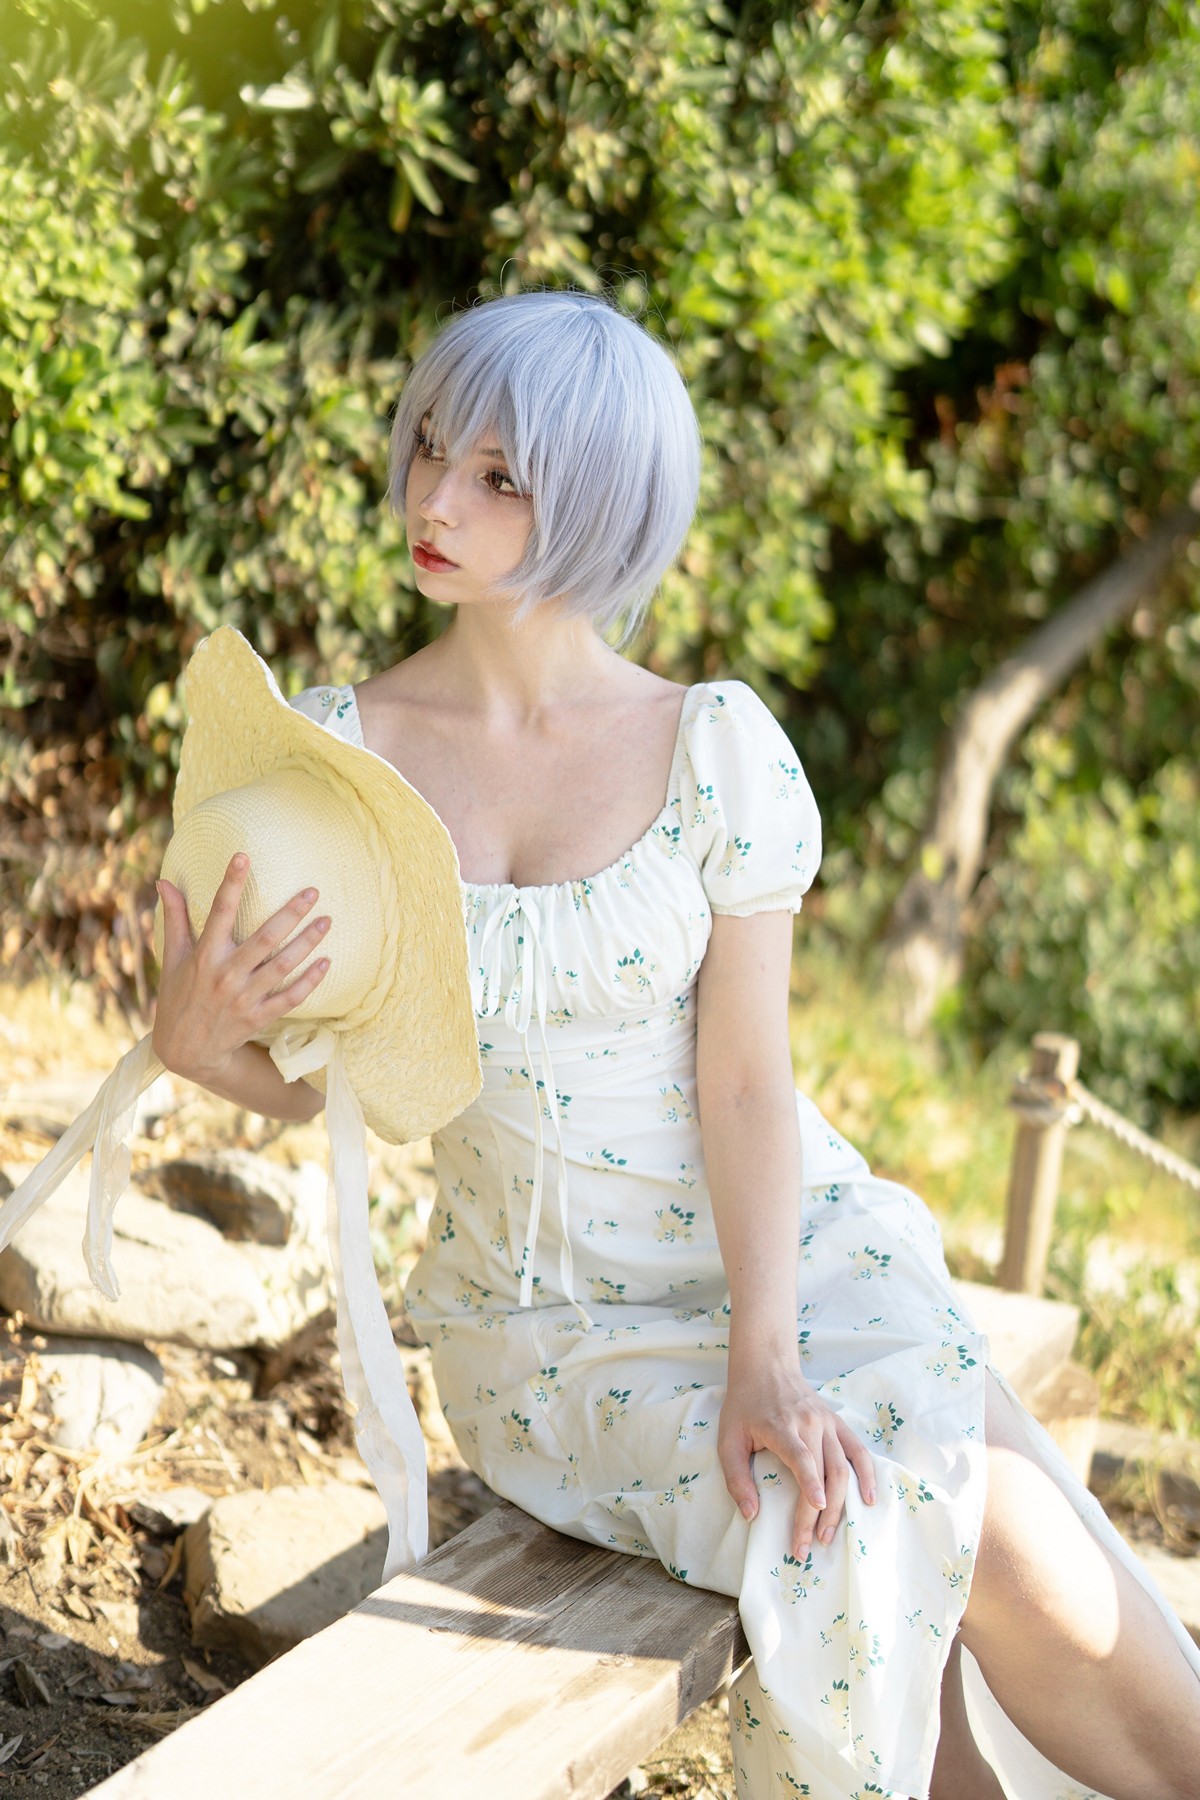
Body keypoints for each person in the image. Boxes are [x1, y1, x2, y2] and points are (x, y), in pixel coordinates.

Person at [151, 290, 1200, 1800]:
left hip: (792, 1263)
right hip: (554, 1333)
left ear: (604, 503)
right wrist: (201, 1046)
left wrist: (767, 1352)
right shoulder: (338, 761)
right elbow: (355, 1083)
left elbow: (749, 1081)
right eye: (432, 446)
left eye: (499, 477)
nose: (434, 499)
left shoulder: (714, 749)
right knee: (896, 1532)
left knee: (1004, 1526)